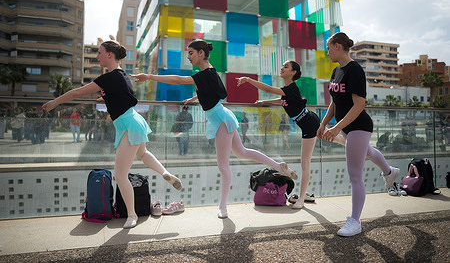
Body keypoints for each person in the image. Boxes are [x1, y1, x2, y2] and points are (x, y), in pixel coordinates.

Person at [131, 39, 298, 219]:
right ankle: (278, 166)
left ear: (201, 53)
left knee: (223, 165)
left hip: (220, 120)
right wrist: (195, 98)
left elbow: (179, 80)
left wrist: (149, 76)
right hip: (222, 116)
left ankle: (223, 206)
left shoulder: (205, 73)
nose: (188, 57)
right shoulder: (209, 72)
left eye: (191, 53)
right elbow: (212, 92)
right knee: (242, 152)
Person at [42, 40, 182, 229]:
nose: (97, 56)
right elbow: (122, 95)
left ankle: (131, 216)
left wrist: (55, 102)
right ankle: (165, 172)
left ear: (109, 55)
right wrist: (106, 97)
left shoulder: (107, 78)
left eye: (99, 53)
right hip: (134, 120)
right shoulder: (122, 75)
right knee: (143, 153)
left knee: (120, 174)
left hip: (128, 124)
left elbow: (77, 93)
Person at [317, 32, 400, 237]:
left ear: (337, 46)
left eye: (328, 48)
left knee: (355, 175)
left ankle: (355, 221)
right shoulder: (336, 71)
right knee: (369, 152)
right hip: (346, 126)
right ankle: (389, 172)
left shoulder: (355, 70)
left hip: (358, 125)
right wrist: (324, 123)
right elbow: (335, 102)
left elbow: (359, 104)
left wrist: (336, 128)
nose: (327, 52)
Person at [237, 61, 344, 209]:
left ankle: (301, 199)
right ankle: (351, 143)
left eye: (286, 67)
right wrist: (264, 102)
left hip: (309, 124)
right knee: (333, 138)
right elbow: (282, 101)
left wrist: (248, 80)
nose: (282, 68)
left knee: (305, 163)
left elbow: (268, 88)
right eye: (282, 66)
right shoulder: (288, 90)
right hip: (308, 121)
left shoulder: (291, 88)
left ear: (293, 72)